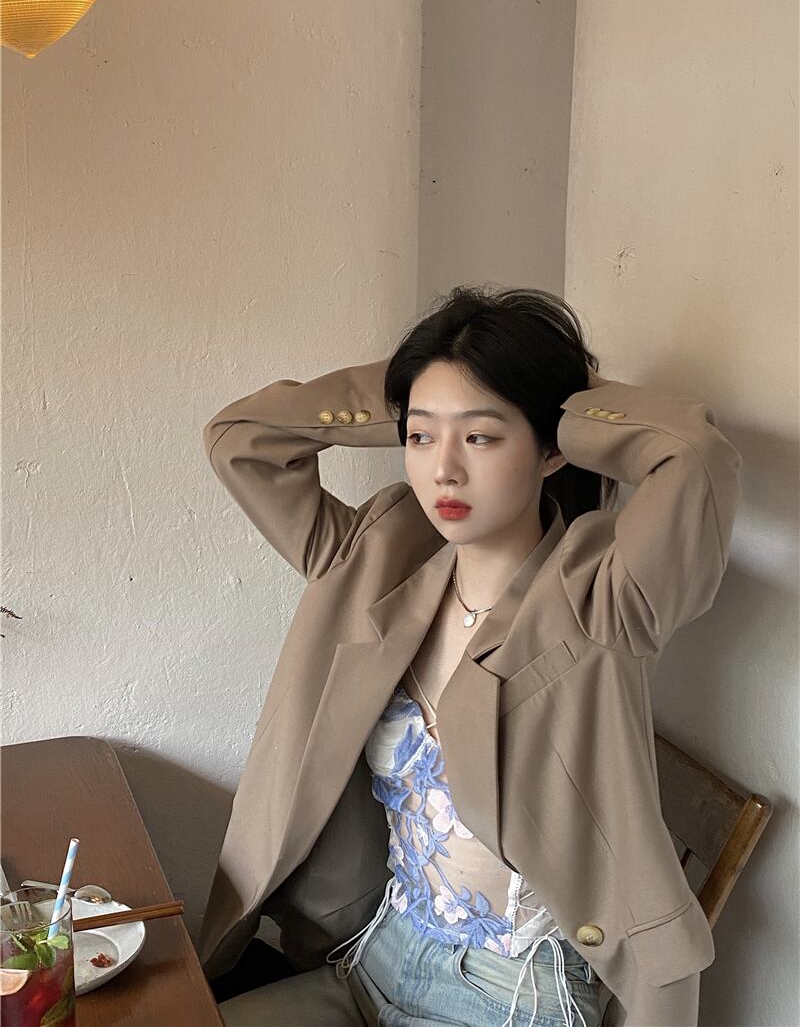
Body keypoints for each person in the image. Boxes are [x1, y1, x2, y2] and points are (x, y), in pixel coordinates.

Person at [198, 286, 743, 1027]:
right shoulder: (377, 557)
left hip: (510, 994)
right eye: (420, 439)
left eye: (481, 438)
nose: (443, 471)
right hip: (374, 954)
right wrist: (428, 382)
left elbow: (694, 456)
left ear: (551, 449)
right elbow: (240, 438)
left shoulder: (603, 600)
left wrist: (558, 397)